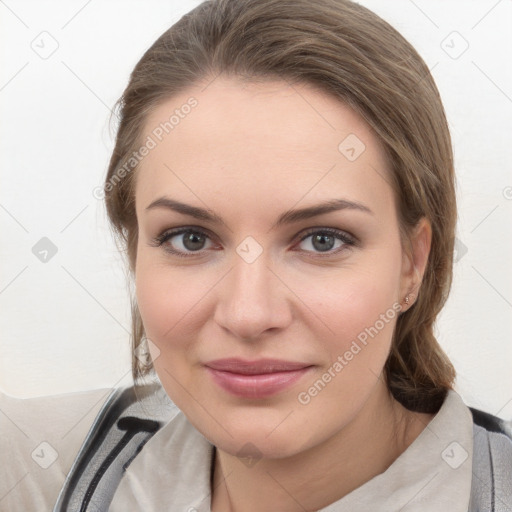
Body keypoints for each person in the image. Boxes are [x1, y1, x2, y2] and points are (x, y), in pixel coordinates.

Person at [6, 0, 512, 510]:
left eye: (322, 240)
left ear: (412, 264)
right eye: (191, 239)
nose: (248, 314)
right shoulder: (39, 473)